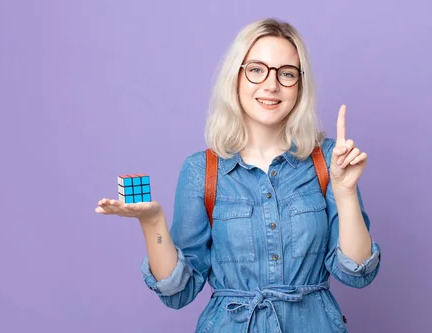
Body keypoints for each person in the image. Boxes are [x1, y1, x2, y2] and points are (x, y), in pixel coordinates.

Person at [95, 17, 381, 333]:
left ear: (299, 85)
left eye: (286, 73)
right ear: (236, 77)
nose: (271, 85)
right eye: (257, 70)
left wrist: (345, 192)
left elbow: (357, 273)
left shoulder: (329, 160)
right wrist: (152, 224)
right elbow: (178, 292)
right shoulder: (200, 170)